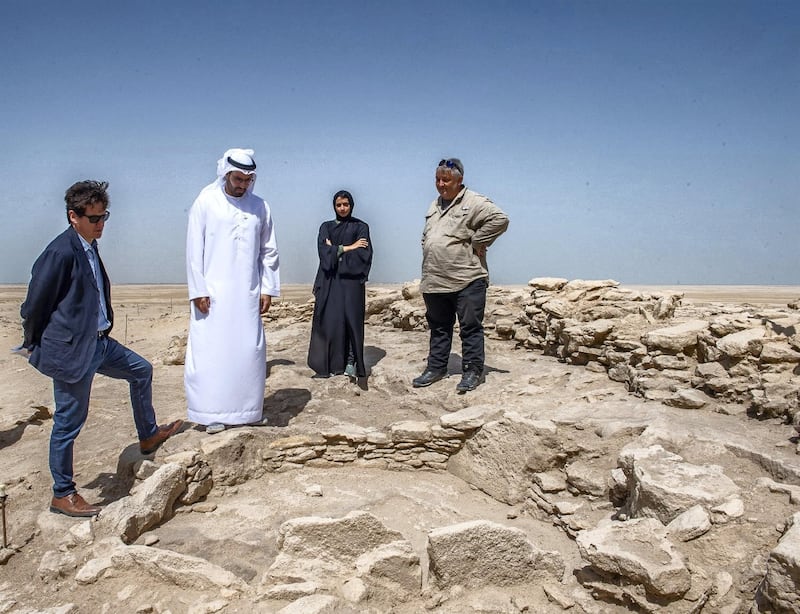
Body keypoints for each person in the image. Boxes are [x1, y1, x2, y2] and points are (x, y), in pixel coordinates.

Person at [19, 180, 183, 518]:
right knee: (68, 423)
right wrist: (35, 343)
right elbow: (34, 305)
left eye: (104, 216)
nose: (100, 224)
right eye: (94, 218)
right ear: (73, 216)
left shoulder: (89, 246)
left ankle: (148, 435)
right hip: (71, 351)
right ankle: (62, 494)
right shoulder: (60, 252)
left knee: (141, 370)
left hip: (98, 343)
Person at [185, 148, 280, 434]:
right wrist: (198, 289)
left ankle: (248, 411)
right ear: (226, 173)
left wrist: (267, 288)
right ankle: (209, 413)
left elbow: (269, 250)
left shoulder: (261, 207)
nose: (242, 185)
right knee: (212, 351)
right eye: (238, 179)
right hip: (212, 294)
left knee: (248, 349)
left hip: (247, 292)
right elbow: (193, 249)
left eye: (247, 180)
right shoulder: (206, 201)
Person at [412, 158, 509, 393]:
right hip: (435, 279)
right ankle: (436, 368)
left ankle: (472, 371)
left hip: (466, 278)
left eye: (446, 179)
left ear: (459, 180)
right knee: (439, 327)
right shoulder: (433, 205)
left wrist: (478, 240)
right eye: (437, 179)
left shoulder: (474, 201)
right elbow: (429, 236)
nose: (441, 184)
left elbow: (500, 219)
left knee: (470, 327)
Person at [307, 190, 373, 378]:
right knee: (328, 322)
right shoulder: (326, 227)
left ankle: (351, 362)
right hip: (328, 282)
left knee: (351, 321)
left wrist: (335, 251)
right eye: (339, 205)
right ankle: (328, 365)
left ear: (351, 205)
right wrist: (349, 247)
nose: (342, 208)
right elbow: (323, 253)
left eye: (346, 204)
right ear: (334, 206)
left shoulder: (361, 227)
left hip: (351, 283)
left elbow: (363, 255)